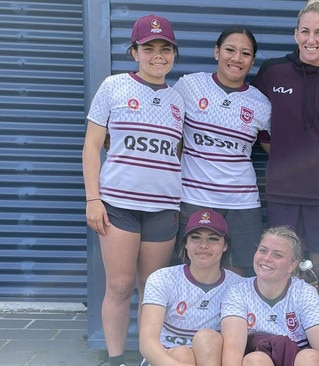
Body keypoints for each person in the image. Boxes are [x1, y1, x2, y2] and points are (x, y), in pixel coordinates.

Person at [82, 14, 184, 366]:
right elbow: (92, 146)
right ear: (134, 52)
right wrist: (93, 199)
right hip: (118, 206)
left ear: (174, 53)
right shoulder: (112, 86)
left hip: (163, 209)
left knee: (152, 290)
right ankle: (114, 358)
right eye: (149, 48)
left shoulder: (180, 98)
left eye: (165, 48)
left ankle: (149, 356)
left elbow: (179, 150)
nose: (158, 55)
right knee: (121, 286)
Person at [250, 0, 319, 296]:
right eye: (305, 31)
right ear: (296, 34)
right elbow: (254, 121)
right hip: (282, 191)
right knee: (281, 269)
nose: (312, 40)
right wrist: (280, 153)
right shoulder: (272, 72)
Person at [173, 26, 271, 276]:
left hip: (242, 204)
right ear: (217, 52)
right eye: (230, 50)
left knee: (237, 278)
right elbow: (163, 124)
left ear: (252, 60)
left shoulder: (261, 102)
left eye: (245, 53)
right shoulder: (190, 86)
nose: (237, 58)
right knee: (193, 274)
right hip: (194, 199)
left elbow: (277, 151)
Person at [220, 226, 319, 366]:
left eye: (277, 255)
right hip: (258, 358)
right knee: (255, 361)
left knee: (311, 358)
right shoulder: (238, 292)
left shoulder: (305, 292)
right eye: (263, 250)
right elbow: (233, 350)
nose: (266, 258)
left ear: (292, 265)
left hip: (295, 358)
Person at [139, 209, 243, 366]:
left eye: (213, 239)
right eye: (195, 238)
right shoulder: (162, 278)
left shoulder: (238, 286)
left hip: (210, 358)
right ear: (185, 243)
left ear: (225, 246)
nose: (203, 245)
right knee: (182, 353)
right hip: (165, 358)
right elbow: (147, 343)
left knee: (208, 337)